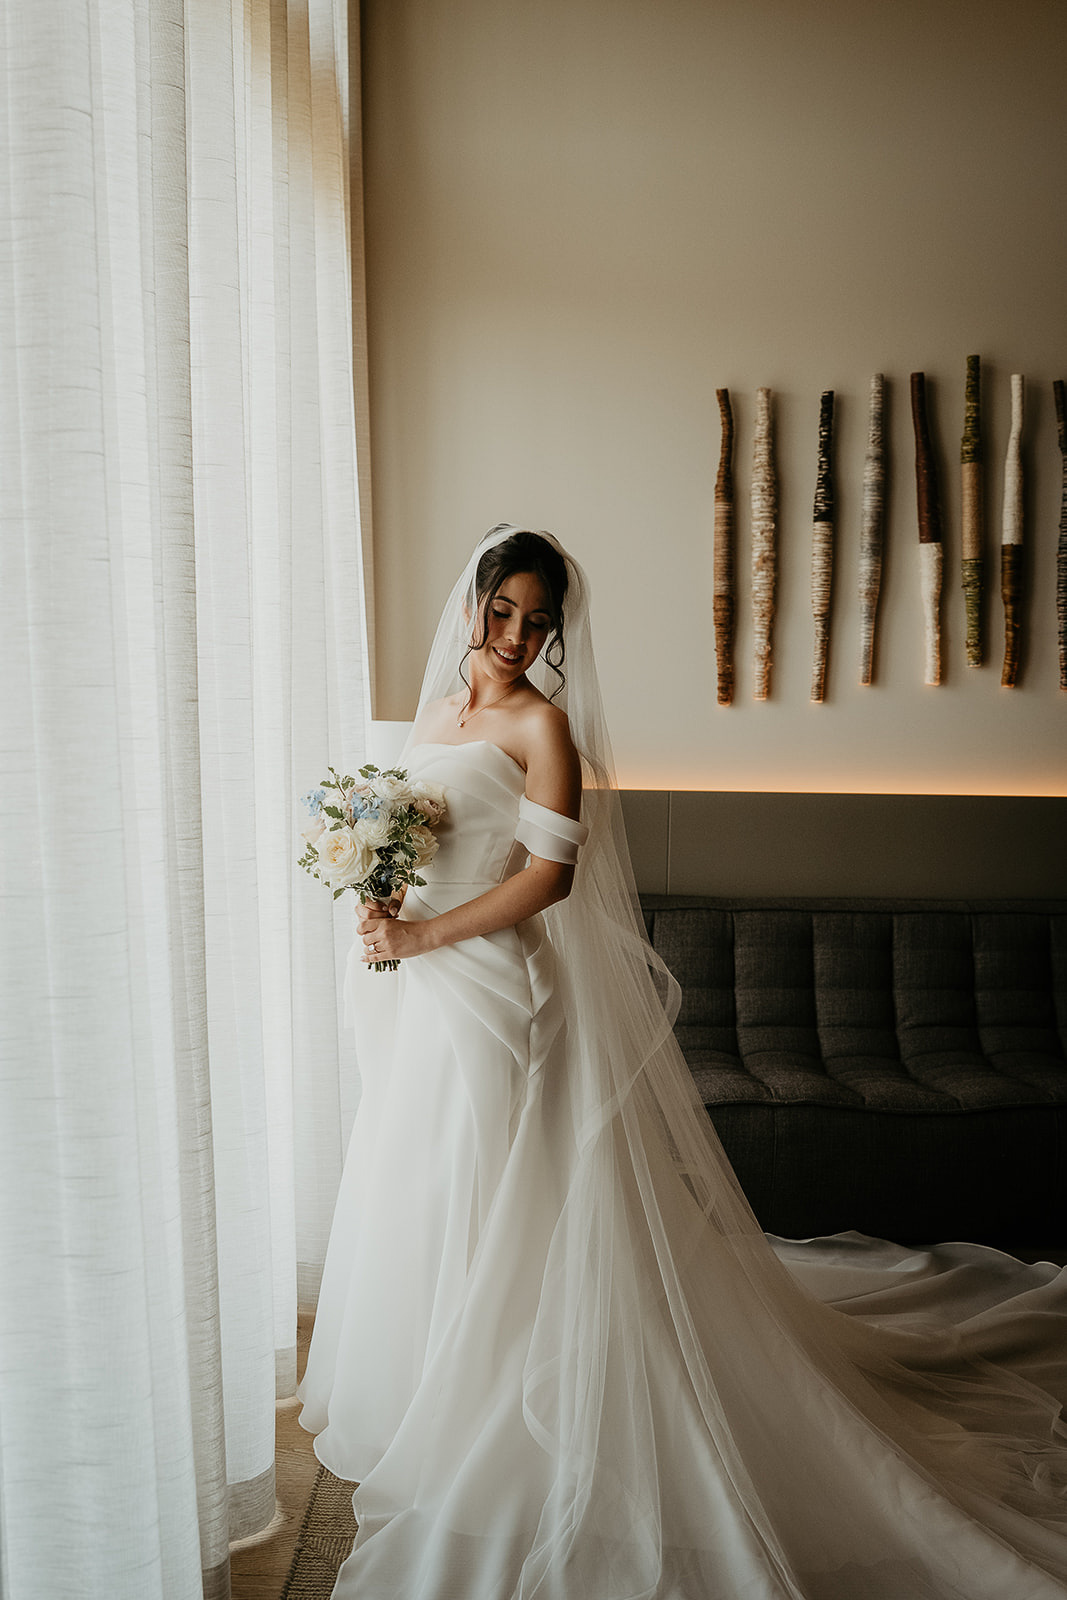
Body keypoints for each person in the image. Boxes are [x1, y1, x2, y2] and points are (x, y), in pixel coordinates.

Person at [298, 525, 1067, 1599]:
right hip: (420, 990)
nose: (515, 635)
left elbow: (546, 884)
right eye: (501, 610)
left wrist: (427, 935)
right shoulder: (431, 714)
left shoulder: (541, 725)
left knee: (491, 1187)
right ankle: (432, 1382)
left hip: (493, 992)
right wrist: (384, 899)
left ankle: (503, 1401)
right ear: (470, 603)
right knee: (419, 1178)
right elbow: (416, 842)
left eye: (536, 620)